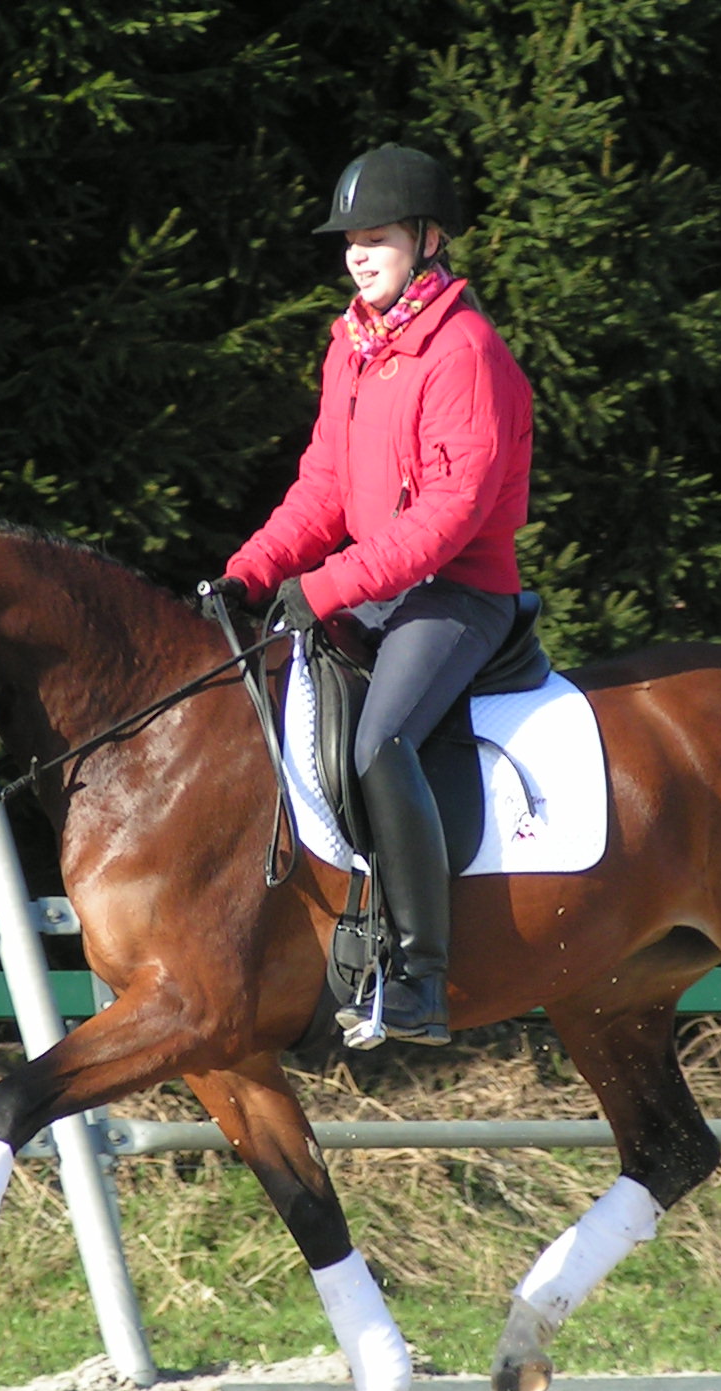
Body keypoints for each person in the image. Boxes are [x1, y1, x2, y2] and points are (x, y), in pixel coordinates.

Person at [215, 143, 534, 1045]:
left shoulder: (463, 348)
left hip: (458, 594)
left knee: (375, 740)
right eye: (351, 239)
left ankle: (421, 974)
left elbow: (451, 513)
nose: (359, 254)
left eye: (378, 237)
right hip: (380, 590)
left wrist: (328, 586)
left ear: (428, 241)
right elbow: (324, 486)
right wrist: (254, 569)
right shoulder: (356, 345)